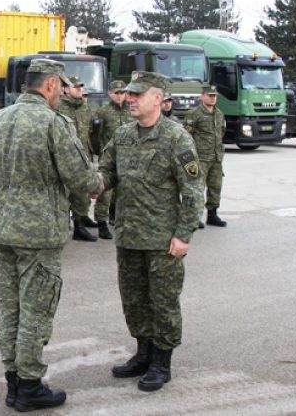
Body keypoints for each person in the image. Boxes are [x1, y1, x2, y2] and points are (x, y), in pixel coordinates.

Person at [0, 59, 102, 411]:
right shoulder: (53, 122)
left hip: (2, 231)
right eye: (60, 86)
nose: (62, 92)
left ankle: (14, 382)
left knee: (11, 308)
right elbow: (80, 177)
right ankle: (30, 386)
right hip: (40, 233)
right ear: (49, 85)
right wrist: (99, 183)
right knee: (36, 309)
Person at [98, 71, 203, 392]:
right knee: (134, 299)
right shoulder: (123, 135)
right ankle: (143, 353)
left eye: (137, 95)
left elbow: (194, 189)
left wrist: (183, 235)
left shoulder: (176, 137)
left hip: (162, 239)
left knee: (163, 301)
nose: (130, 99)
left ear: (157, 98)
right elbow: (107, 170)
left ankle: (162, 361)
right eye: (128, 94)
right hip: (129, 235)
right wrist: (95, 184)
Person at [57, 75, 98, 242]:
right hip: (65, 159)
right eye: (76, 87)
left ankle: (79, 225)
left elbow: (93, 133)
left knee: (82, 194)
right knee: (63, 194)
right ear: (66, 90)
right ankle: (62, 226)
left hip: (83, 158)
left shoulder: (86, 109)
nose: (80, 89)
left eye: (81, 87)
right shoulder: (58, 108)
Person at [93, 80, 132, 240]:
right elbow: (95, 135)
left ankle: (114, 215)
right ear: (110, 94)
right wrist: (100, 152)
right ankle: (101, 222)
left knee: (122, 189)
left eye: (122, 92)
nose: (119, 96)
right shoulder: (103, 111)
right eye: (116, 93)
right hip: (109, 157)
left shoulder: (131, 111)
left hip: (127, 156)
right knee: (105, 192)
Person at [184, 85, 227, 228]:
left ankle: (212, 215)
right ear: (202, 96)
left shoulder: (219, 114)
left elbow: (221, 133)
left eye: (214, 96)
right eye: (209, 95)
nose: (212, 98)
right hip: (200, 158)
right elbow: (187, 135)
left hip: (216, 157)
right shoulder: (194, 114)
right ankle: (195, 217)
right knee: (197, 188)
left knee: (215, 187)